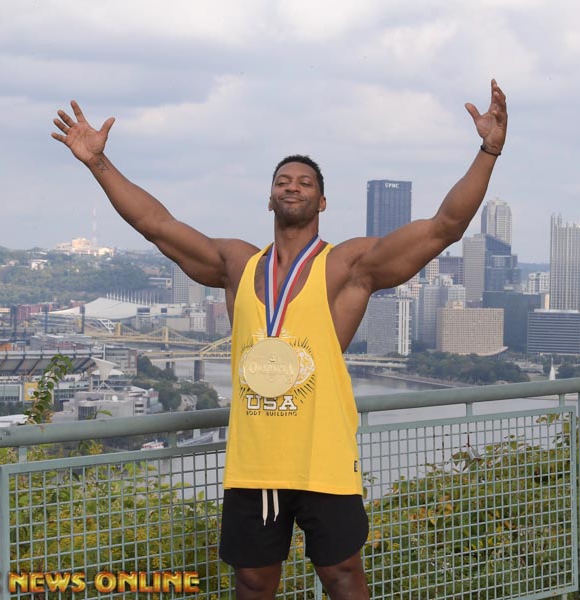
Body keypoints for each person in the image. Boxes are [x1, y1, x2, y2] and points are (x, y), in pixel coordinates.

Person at [52, 79, 507, 600]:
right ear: (269, 198)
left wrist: (488, 151)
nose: (293, 187)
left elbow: (444, 227)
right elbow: (156, 225)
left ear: (322, 200)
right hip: (256, 461)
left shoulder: (346, 266)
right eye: (283, 181)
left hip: (324, 458)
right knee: (252, 580)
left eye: (305, 182)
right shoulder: (237, 265)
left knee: (342, 574)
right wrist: (98, 163)